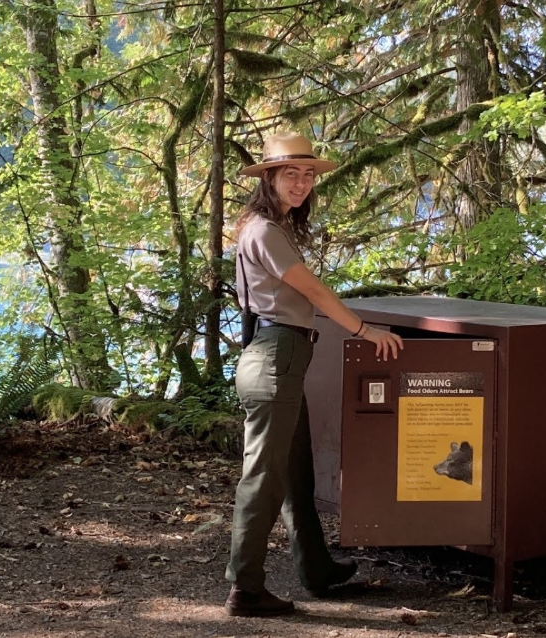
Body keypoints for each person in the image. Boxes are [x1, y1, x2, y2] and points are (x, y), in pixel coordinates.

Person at [225, 132, 404, 617]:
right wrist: (365, 330)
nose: (302, 183)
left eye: (308, 175)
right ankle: (246, 588)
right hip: (275, 356)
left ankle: (316, 567)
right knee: (263, 477)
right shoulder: (264, 230)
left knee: (296, 470)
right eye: (291, 174)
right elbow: (317, 294)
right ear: (268, 178)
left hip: (282, 355)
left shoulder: (272, 228)